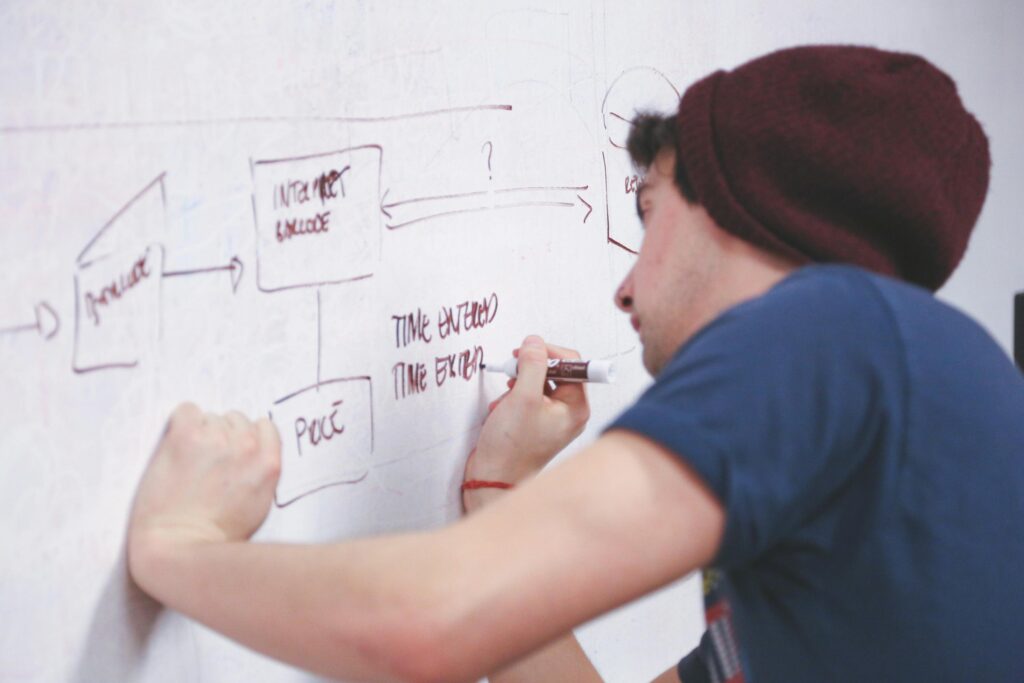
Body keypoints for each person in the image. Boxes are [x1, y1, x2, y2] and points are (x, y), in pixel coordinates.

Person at [127, 45, 1024, 682]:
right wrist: (498, 489)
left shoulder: (831, 328)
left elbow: (429, 624)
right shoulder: (892, 445)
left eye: (648, 210)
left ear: (739, 205)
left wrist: (178, 548)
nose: (624, 290)